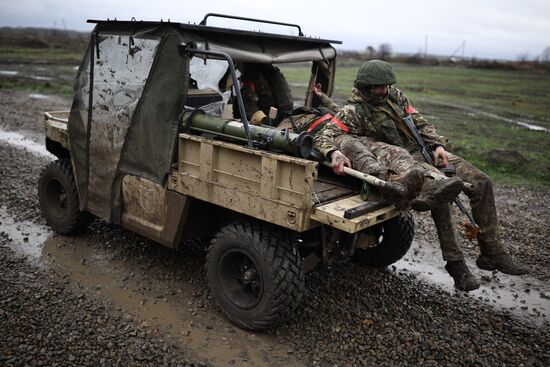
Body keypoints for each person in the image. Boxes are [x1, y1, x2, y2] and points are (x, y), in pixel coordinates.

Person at [313, 60, 528, 291]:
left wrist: (437, 145)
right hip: (404, 159)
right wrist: (334, 152)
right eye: (377, 87)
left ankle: (493, 252)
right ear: (364, 87)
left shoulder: (396, 97)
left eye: (385, 85)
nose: (382, 90)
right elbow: (325, 135)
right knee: (441, 193)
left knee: (482, 182)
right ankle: (456, 264)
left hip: (425, 150)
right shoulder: (354, 112)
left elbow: (418, 120)